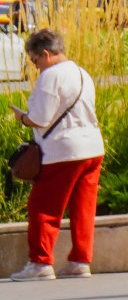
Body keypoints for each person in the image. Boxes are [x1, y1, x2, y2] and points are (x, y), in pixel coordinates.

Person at [9, 29, 102, 281]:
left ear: (46, 54)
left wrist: (23, 118)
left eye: (34, 59)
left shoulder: (51, 76)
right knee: (83, 208)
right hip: (92, 147)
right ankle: (80, 261)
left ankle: (40, 263)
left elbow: (41, 117)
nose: (34, 65)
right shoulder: (81, 72)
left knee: (43, 206)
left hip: (63, 150)